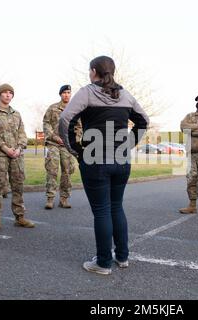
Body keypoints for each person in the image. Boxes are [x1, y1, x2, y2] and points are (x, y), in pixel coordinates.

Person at [59, 56, 149, 275]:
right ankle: (122, 256)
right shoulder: (125, 94)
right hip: (121, 160)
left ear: (93, 71)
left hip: (95, 160)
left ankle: (103, 263)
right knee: (116, 206)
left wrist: (76, 149)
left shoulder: (87, 92)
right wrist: (127, 144)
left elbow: (65, 119)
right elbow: (143, 121)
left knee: (101, 211)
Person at [0, 84, 35, 232]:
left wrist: (19, 148)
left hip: (16, 155)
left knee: (18, 185)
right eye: (5, 93)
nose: (7, 95)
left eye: (10, 93)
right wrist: (5, 148)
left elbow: (22, 133)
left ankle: (19, 217)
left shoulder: (16, 113)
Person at [43, 84, 82, 209]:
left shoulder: (75, 110)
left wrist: (72, 140)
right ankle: (50, 198)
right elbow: (46, 123)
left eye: (68, 92)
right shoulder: (52, 108)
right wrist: (53, 137)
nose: (66, 94)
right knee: (52, 169)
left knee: (67, 171)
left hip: (67, 145)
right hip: (54, 143)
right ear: (60, 94)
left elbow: (79, 128)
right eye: (64, 92)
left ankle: (64, 199)